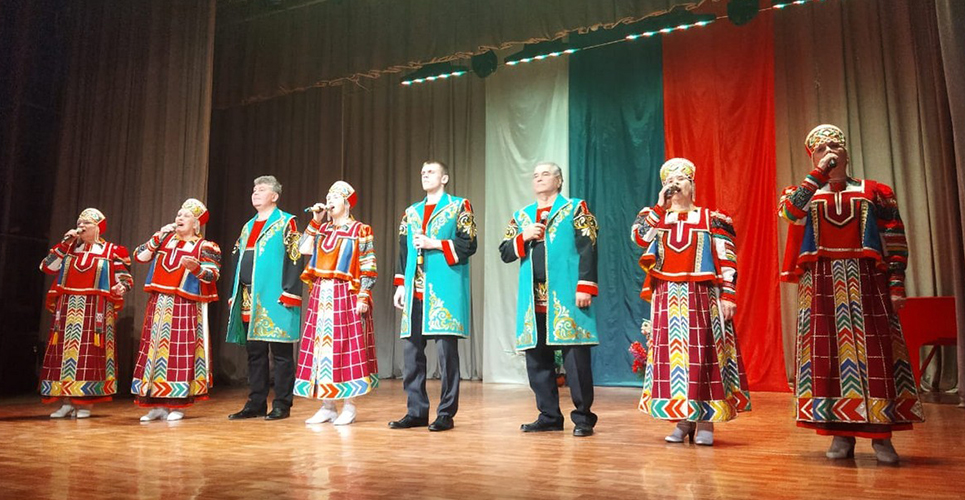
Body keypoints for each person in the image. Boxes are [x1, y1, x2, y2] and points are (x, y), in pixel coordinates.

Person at [779, 124, 924, 463]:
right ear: (812, 157)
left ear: (846, 151)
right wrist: (817, 175)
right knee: (828, 357)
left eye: (835, 145)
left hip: (866, 282)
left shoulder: (874, 191)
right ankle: (840, 434)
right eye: (820, 148)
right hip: (821, 284)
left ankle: (882, 437)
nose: (829, 151)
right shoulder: (802, 192)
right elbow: (789, 213)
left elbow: (894, 238)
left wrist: (896, 283)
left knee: (876, 354)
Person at [631, 158, 750, 446]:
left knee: (704, 356)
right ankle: (683, 420)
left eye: (681, 179)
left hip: (703, 296)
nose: (675, 184)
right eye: (669, 181)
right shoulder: (654, 217)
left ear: (692, 185)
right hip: (666, 297)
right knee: (674, 360)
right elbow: (639, 238)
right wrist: (660, 206)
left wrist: (728, 294)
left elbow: (727, 258)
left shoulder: (712, 218)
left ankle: (706, 421)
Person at [499, 162, 599, 437]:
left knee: (575, 359)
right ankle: (549, 415)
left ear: (559, 180)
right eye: (535, 175)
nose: (539, 179)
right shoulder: (522, 216)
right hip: (533, 297)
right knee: (537, 358)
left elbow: (589, 246)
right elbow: (505, 251)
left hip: (566, 294)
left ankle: (583, 418)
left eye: (545, 174)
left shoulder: (575, 208)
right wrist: (524, 236)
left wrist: (585, 286)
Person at [388, 160, 477, 432]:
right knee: (412, 354)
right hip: (415, 290)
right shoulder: (411, 212)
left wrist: (434, 243)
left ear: (444, 178)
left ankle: (446, 413)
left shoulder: (459, 206)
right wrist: (400, 285)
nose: (425, 175)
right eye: (423, 172)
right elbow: (403, 250)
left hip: (443, 289)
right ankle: (416, 411)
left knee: (446, 354)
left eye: (431, 172)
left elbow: (468, 243)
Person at [295, 181, 378, 425]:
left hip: (346, 293)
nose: (329, 200)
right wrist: (315, 220)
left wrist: (363, 294)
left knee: (346, 347)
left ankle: (349, 406)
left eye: (335, 197)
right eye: (328, 196)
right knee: (322, 350)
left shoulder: (360, 230)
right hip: (322, 294)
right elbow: (303, 249)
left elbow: (368, 264)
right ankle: (327, 406)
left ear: (347, 203)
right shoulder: (323, 229)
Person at [132, 199, 221, 421]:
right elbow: (140, 256)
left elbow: (213, 275)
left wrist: (197, 268)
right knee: (154, 351)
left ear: (196, 223)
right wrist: (158, 236)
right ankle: (156, 404)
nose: (180, 218)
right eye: (179, 214)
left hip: (185, 304)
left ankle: (176, 404)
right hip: (159, 303)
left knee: (179, 352)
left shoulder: (205, 247)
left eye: (186, 215)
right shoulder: (164, 241)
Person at [39, 208, 133, 418]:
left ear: (98, 228)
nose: (81, 226)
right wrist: (65, 243)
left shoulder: (112, 251)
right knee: (63, 354)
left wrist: (121, 287)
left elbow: (125, 278)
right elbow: (47, 267)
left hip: (96, 309)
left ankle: (84, 403)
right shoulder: (69, 249)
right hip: (67, 308)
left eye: (86, 223)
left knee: (89, 354)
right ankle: (65, 400)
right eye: (79, 223)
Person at [226, 175, 304, 421]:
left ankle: (282, 404)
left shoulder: (286, 222)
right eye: (254, 189)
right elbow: (237, 259)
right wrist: (234, 292)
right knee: (255, 353)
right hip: (248, 296)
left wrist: (290, 291)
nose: (255, 193)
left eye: (261, 189)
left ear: (274, 196)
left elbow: (295, 256)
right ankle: (256, 402)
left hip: (276, 296)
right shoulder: (247, 226)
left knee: (281, 354)